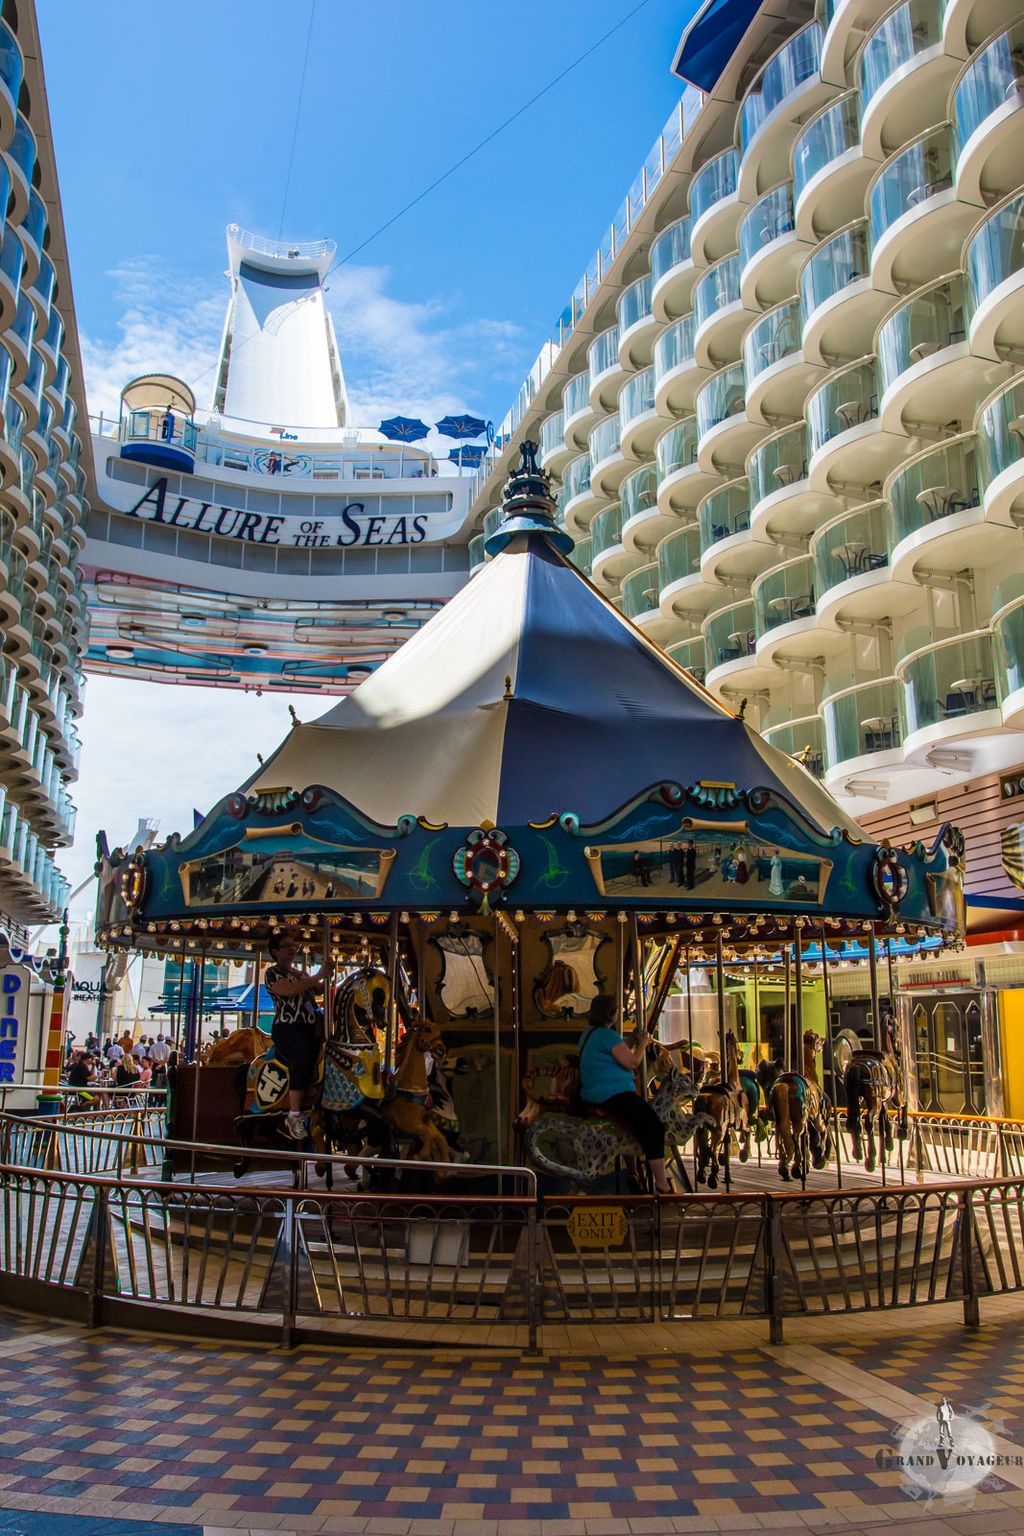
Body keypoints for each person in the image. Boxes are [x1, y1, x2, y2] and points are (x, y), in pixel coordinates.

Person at [577, 994, 671, 1194]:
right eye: (617, 1011)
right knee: (654, 1126)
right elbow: (633, 1062)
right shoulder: (607, 1035)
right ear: (611, 1014)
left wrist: (631, 1040)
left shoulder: (590, 1033)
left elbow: (617, 1050)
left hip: (593, 1092)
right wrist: (644, 1043)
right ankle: (662, 1183)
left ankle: (635, 1173)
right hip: (612, 1093)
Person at [263, 933, 325, 1140]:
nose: (292, 949)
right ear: (275, 951)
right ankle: (294, 1113)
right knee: (302, 1056)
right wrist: (316, 977)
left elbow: (319, 988)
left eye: (294, 945)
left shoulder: (300, 973)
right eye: (287, 946)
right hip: (288, 1027)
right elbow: (289, 991)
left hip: (310, 1027)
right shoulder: (272, 974)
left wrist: (328, 975)